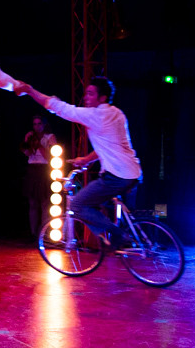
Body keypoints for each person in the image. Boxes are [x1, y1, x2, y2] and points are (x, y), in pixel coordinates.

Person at [17, 76, 141, 251]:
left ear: (102, 98)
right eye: (86, 93)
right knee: (96, 204)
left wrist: (30, 91)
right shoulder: (117, 113)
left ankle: (117, 234)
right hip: (133, 173)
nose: (86, 97)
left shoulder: (95, 115)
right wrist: (85, 160)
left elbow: (58, 108)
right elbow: (110, 146)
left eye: (91, 94)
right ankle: (119, 238)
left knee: (77, 205)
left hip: (116, 176)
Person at [21, 115, 58, 238]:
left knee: (44, 203)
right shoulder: (31, 136)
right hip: (32, 169)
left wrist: (39, 145)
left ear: (44, 124)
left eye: (39, 124)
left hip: (44, 169)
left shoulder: (50, 137)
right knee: (32, 203)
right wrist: (27, 141)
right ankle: (33, 233)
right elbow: (27, 153)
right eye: (34, 124)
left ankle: (43, 233)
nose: (37, 127)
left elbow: (50, 157)